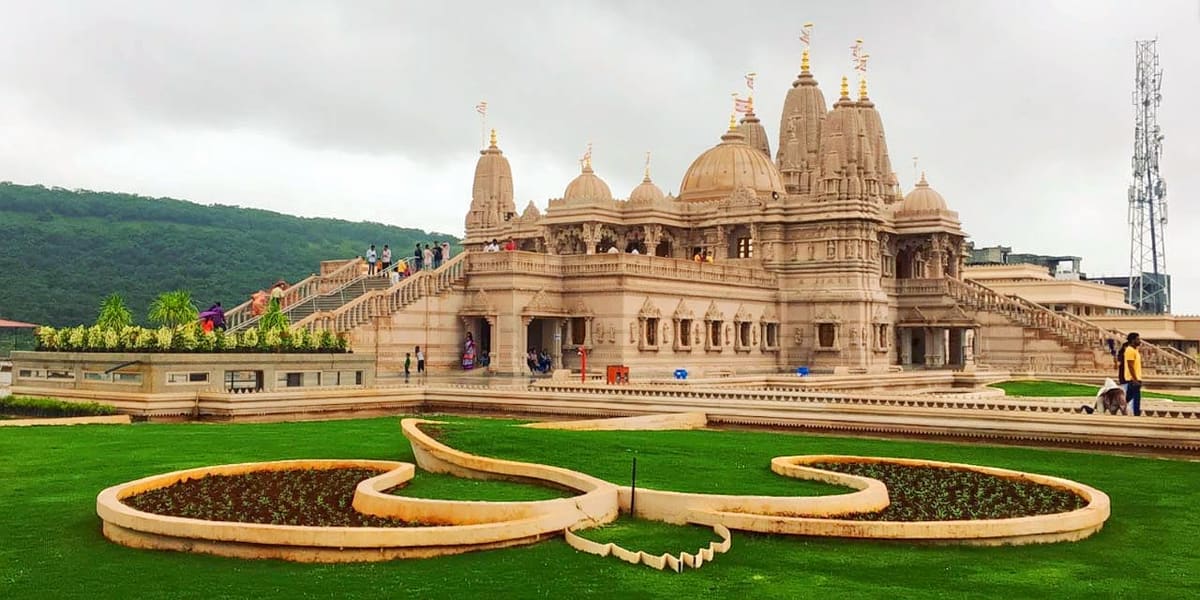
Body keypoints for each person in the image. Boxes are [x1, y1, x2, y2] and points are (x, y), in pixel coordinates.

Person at [1117, 332, 1144, 416]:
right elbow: (1130, 366)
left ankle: (1114, 407)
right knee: (1136, 397)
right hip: (1132, 379)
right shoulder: (1129, 350)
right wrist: (1135, 379)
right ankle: (1136, 413)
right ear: (1132, 340)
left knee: (1127, 398)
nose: (1139, 341)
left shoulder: (1135, 350)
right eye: (1138, 339)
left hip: (1135, 378)